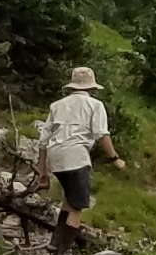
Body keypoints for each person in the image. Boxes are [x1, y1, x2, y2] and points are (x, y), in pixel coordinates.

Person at [37, 64, 120, 221]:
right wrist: (115, 159)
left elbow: (43, 141)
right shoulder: (95, 105)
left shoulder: (56, 105)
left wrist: (42, 171)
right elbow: (101, 134)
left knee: (69, 200)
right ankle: (60, 245)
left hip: (56, 158)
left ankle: (56, 242)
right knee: (77, 207)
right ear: (92, 87)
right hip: (76, 158)